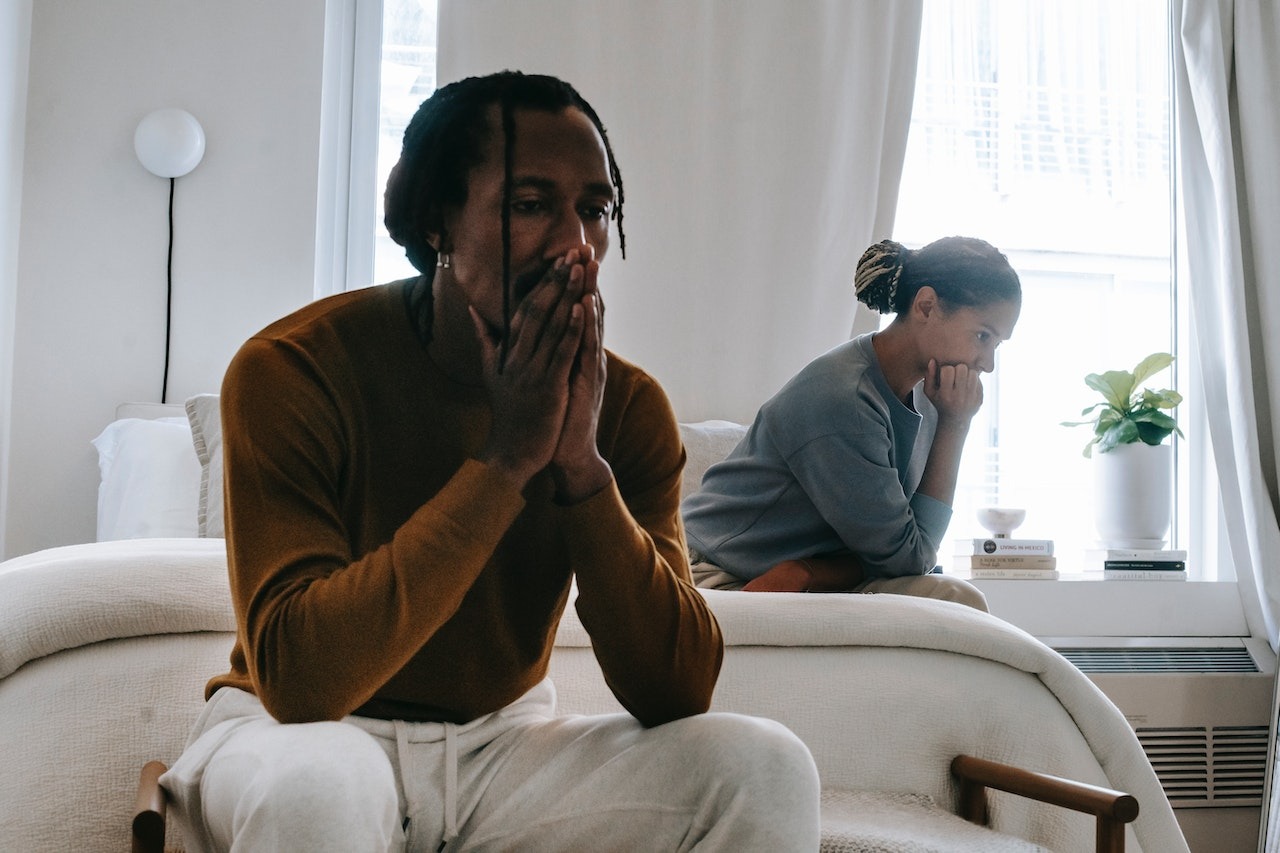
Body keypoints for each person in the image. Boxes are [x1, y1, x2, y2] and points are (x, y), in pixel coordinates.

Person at [159, 71, 820, 852]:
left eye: (595, 210)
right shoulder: (294, 368)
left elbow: (676, 688)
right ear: (437, 220)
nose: (575, 245)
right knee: (320, 789)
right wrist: (506, 460)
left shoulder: (628, 406)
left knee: (766, 766)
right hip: (295, 736)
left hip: (500, 745)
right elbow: (302, 681)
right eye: (530, 205)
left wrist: (580, 466)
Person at [682, 236, 1022, 609]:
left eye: (996, 344)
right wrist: (955, 426)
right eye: (982, 336)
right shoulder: (845, 398)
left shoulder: (930, 392)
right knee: (953, 598)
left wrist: (808, 571)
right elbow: (910, 558)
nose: (987, 363)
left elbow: (907, 554)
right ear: (926, 306)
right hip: (717, 573)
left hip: (795, 574)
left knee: (955, 598)